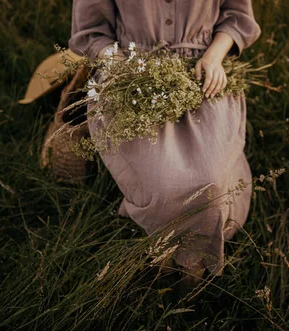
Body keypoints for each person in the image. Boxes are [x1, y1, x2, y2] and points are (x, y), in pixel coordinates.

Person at [69, 0, 261, 288]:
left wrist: (213, 57)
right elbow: (91, 32)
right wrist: (125, 68)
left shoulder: (209, 61)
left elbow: (237, 16)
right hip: (130, 73)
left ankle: (189, 260)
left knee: (211, 182)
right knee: (163, 181)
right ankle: (171, 254)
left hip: (202, 71)